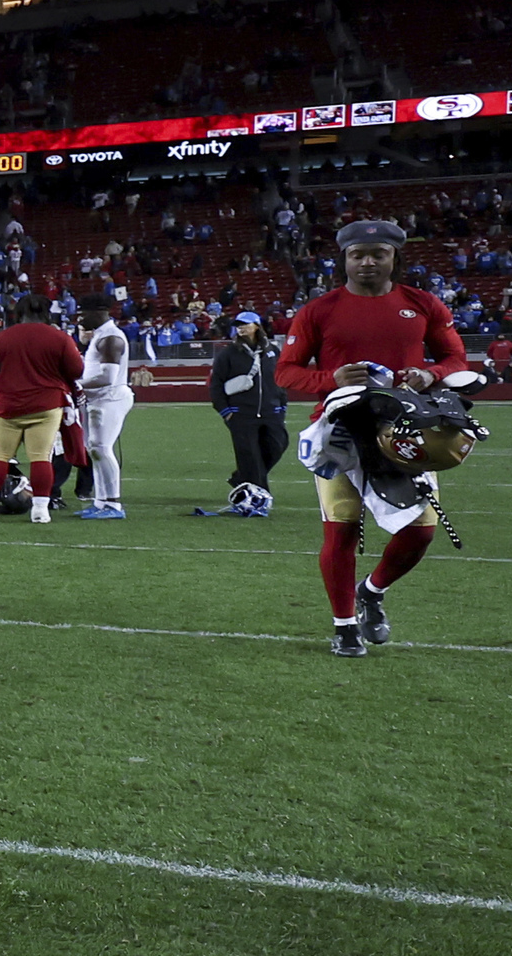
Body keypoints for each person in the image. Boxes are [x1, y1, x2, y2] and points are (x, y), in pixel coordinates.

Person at [277, 217, 476, 656]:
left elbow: (455, 357)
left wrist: (431, 373)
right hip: (340, 433)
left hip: (407, 429)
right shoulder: (318, 310)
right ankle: (344, 625)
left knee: (421, 533)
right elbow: (286, 371)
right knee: (340, 531)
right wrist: (331, 377)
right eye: (357, 255)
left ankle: (372, 590)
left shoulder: (423, 304)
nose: (367, 262)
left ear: (394, 258)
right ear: (344, 260)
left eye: (377, 254)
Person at [0, 297, 83, 525]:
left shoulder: (2, 337)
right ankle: (40, 509)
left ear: (17, 314)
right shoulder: (60, 337)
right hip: (46, 404)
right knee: (41, 458)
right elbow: (76, 369)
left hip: (7, 404)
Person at [197, 309, 287, 516]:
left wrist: (282, 404)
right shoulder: (228, 354)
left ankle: (242, 478)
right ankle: (259, 499)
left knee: (277, 445)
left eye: (245, 324)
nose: (241, 327)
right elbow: (216, 384)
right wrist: (226, 410)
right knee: (250, 456)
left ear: (257, 326)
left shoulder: (272, 350)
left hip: (271, 411)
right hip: (240, 413)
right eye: (238, 324)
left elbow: (280, 379)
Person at [75, 295, 135, 519]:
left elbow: (107, 376)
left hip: (110, 397)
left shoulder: (111, 338)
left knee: (101, 448)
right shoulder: (101, 335)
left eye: (83, 313)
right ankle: (101, 502)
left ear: (99, 312)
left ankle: (113, 504)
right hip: (98, 398)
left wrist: (75, 384)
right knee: (94, 450)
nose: (80, 319)